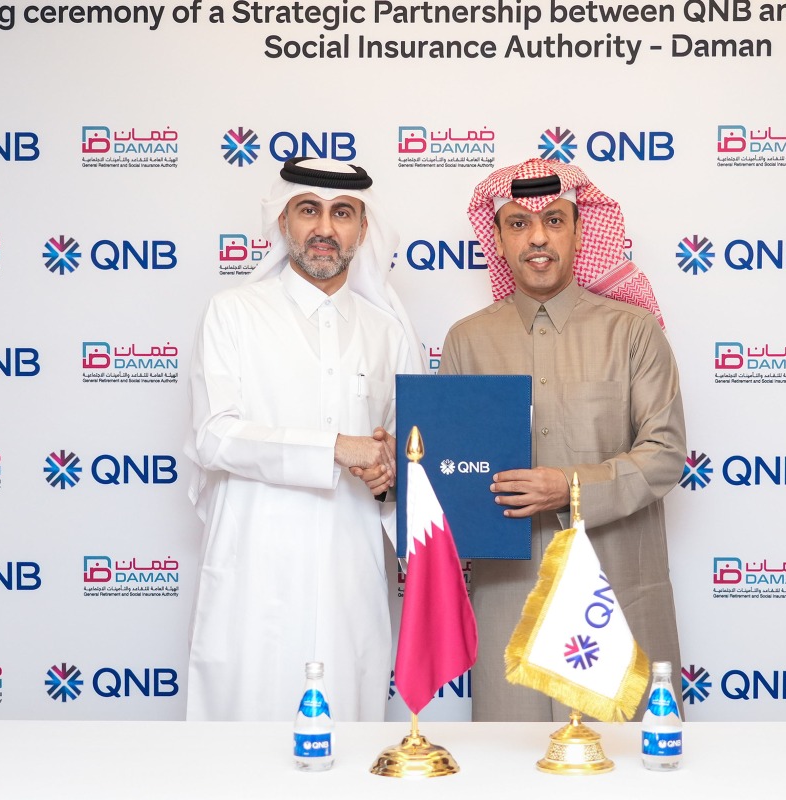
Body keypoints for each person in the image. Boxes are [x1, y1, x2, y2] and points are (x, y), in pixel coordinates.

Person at [439, 158, 687, 722]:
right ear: (498, 239)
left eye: (554, 220)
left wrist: (570, 487)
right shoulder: (467, 341)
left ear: (580, 230)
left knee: (622, 770)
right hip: (511, 599)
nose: (538, 239)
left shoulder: (633, 331)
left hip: (618, 588)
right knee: (510, 769)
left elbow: (666, 452)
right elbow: (450, 472)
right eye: (519, 225)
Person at [184, 157, 424, 721]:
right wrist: (338, 448)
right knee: (244, 741)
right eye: (308, 210)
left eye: (342, 213)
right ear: (284, 222)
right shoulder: (232, 314)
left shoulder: (389, 333)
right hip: (255, 566)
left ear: (363, 230)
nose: (325, 228)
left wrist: (389, 473)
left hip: (351, 569)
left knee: (348, 738)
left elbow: (401, 455)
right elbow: (213, 437)